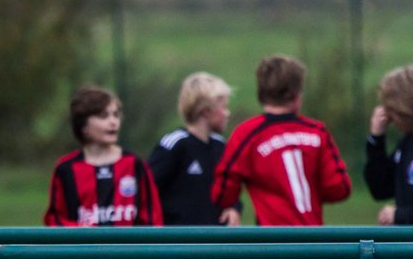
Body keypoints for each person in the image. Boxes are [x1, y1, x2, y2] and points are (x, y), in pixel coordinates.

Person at [211, 54, 350, 226]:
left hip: (273, 241)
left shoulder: (248, 134)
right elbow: (340, 188)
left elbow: (223, 192)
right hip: (314, 240)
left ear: (261, 91)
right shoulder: (316, 132)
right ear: (297, 94)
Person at [44, 86, 162, 227]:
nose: (113, 122)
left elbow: (152, 217)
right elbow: (55, 219)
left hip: (127, 249)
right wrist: (80, 233)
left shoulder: (135, 164)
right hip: (84, 249)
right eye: (103, 116)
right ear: (83, 126)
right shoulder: (66, 169)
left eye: (116, 115)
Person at [149, 72, 241, 226]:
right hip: (180, 243)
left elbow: (230, 188)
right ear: (206, 111)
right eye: (224, 107)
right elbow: (148, 189)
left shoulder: (221, 146)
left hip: (215, 242)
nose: (227, 113)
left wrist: (233, 208)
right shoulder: (175, 145)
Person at [364, 64, 413, 226]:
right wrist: (376, 139)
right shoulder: (406, 143)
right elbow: (381, 188)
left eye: (390, 109)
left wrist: (400, 216)